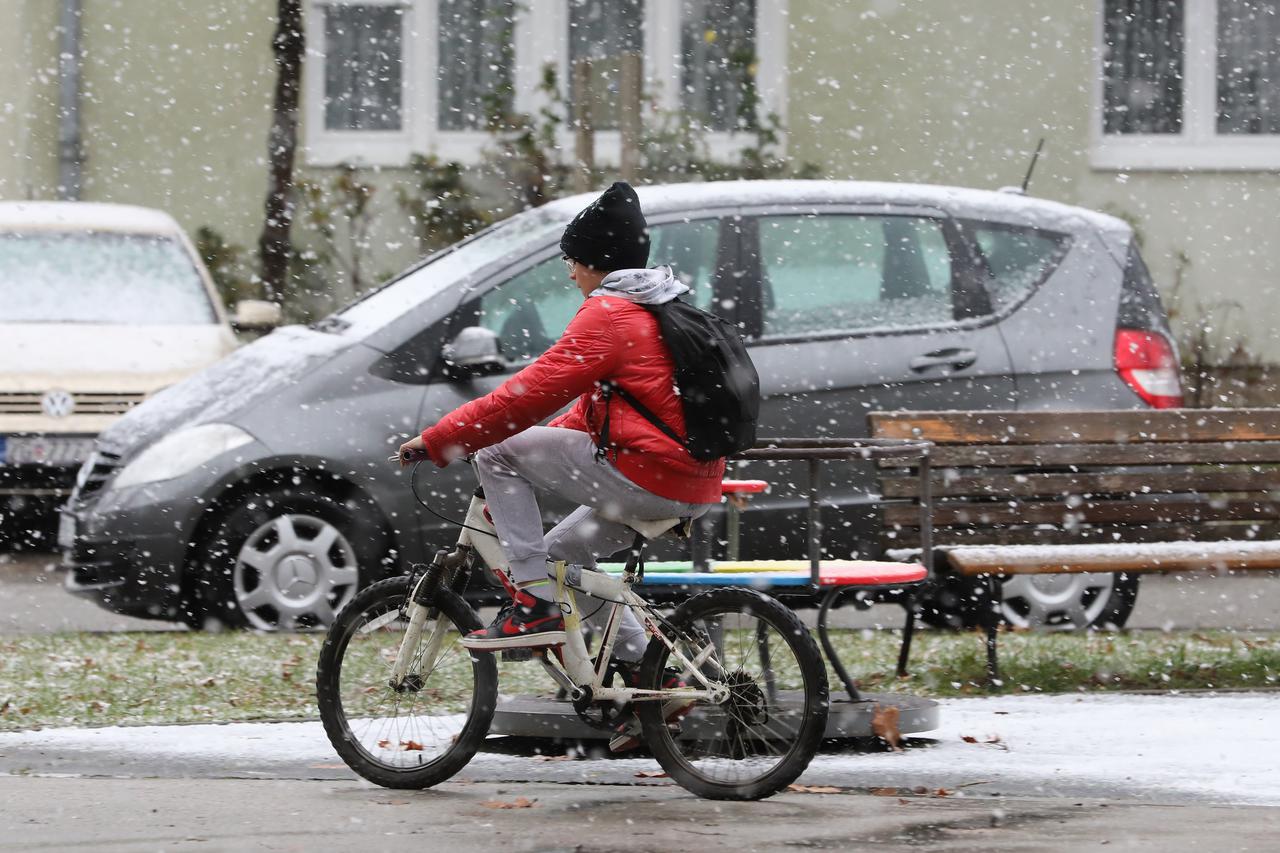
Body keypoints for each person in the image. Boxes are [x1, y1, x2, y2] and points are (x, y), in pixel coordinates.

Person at [398, 181, 724, 669]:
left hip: (650, 474)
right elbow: (589, 411)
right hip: (692, 479)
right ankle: (649, 674)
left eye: (572, 260)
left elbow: (524, 396)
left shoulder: (610, 314)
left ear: (595, 261)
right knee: (563, 557)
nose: (570, 273)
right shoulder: (658, 305)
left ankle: (532, 605)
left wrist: (444, 439)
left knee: (496, 452)